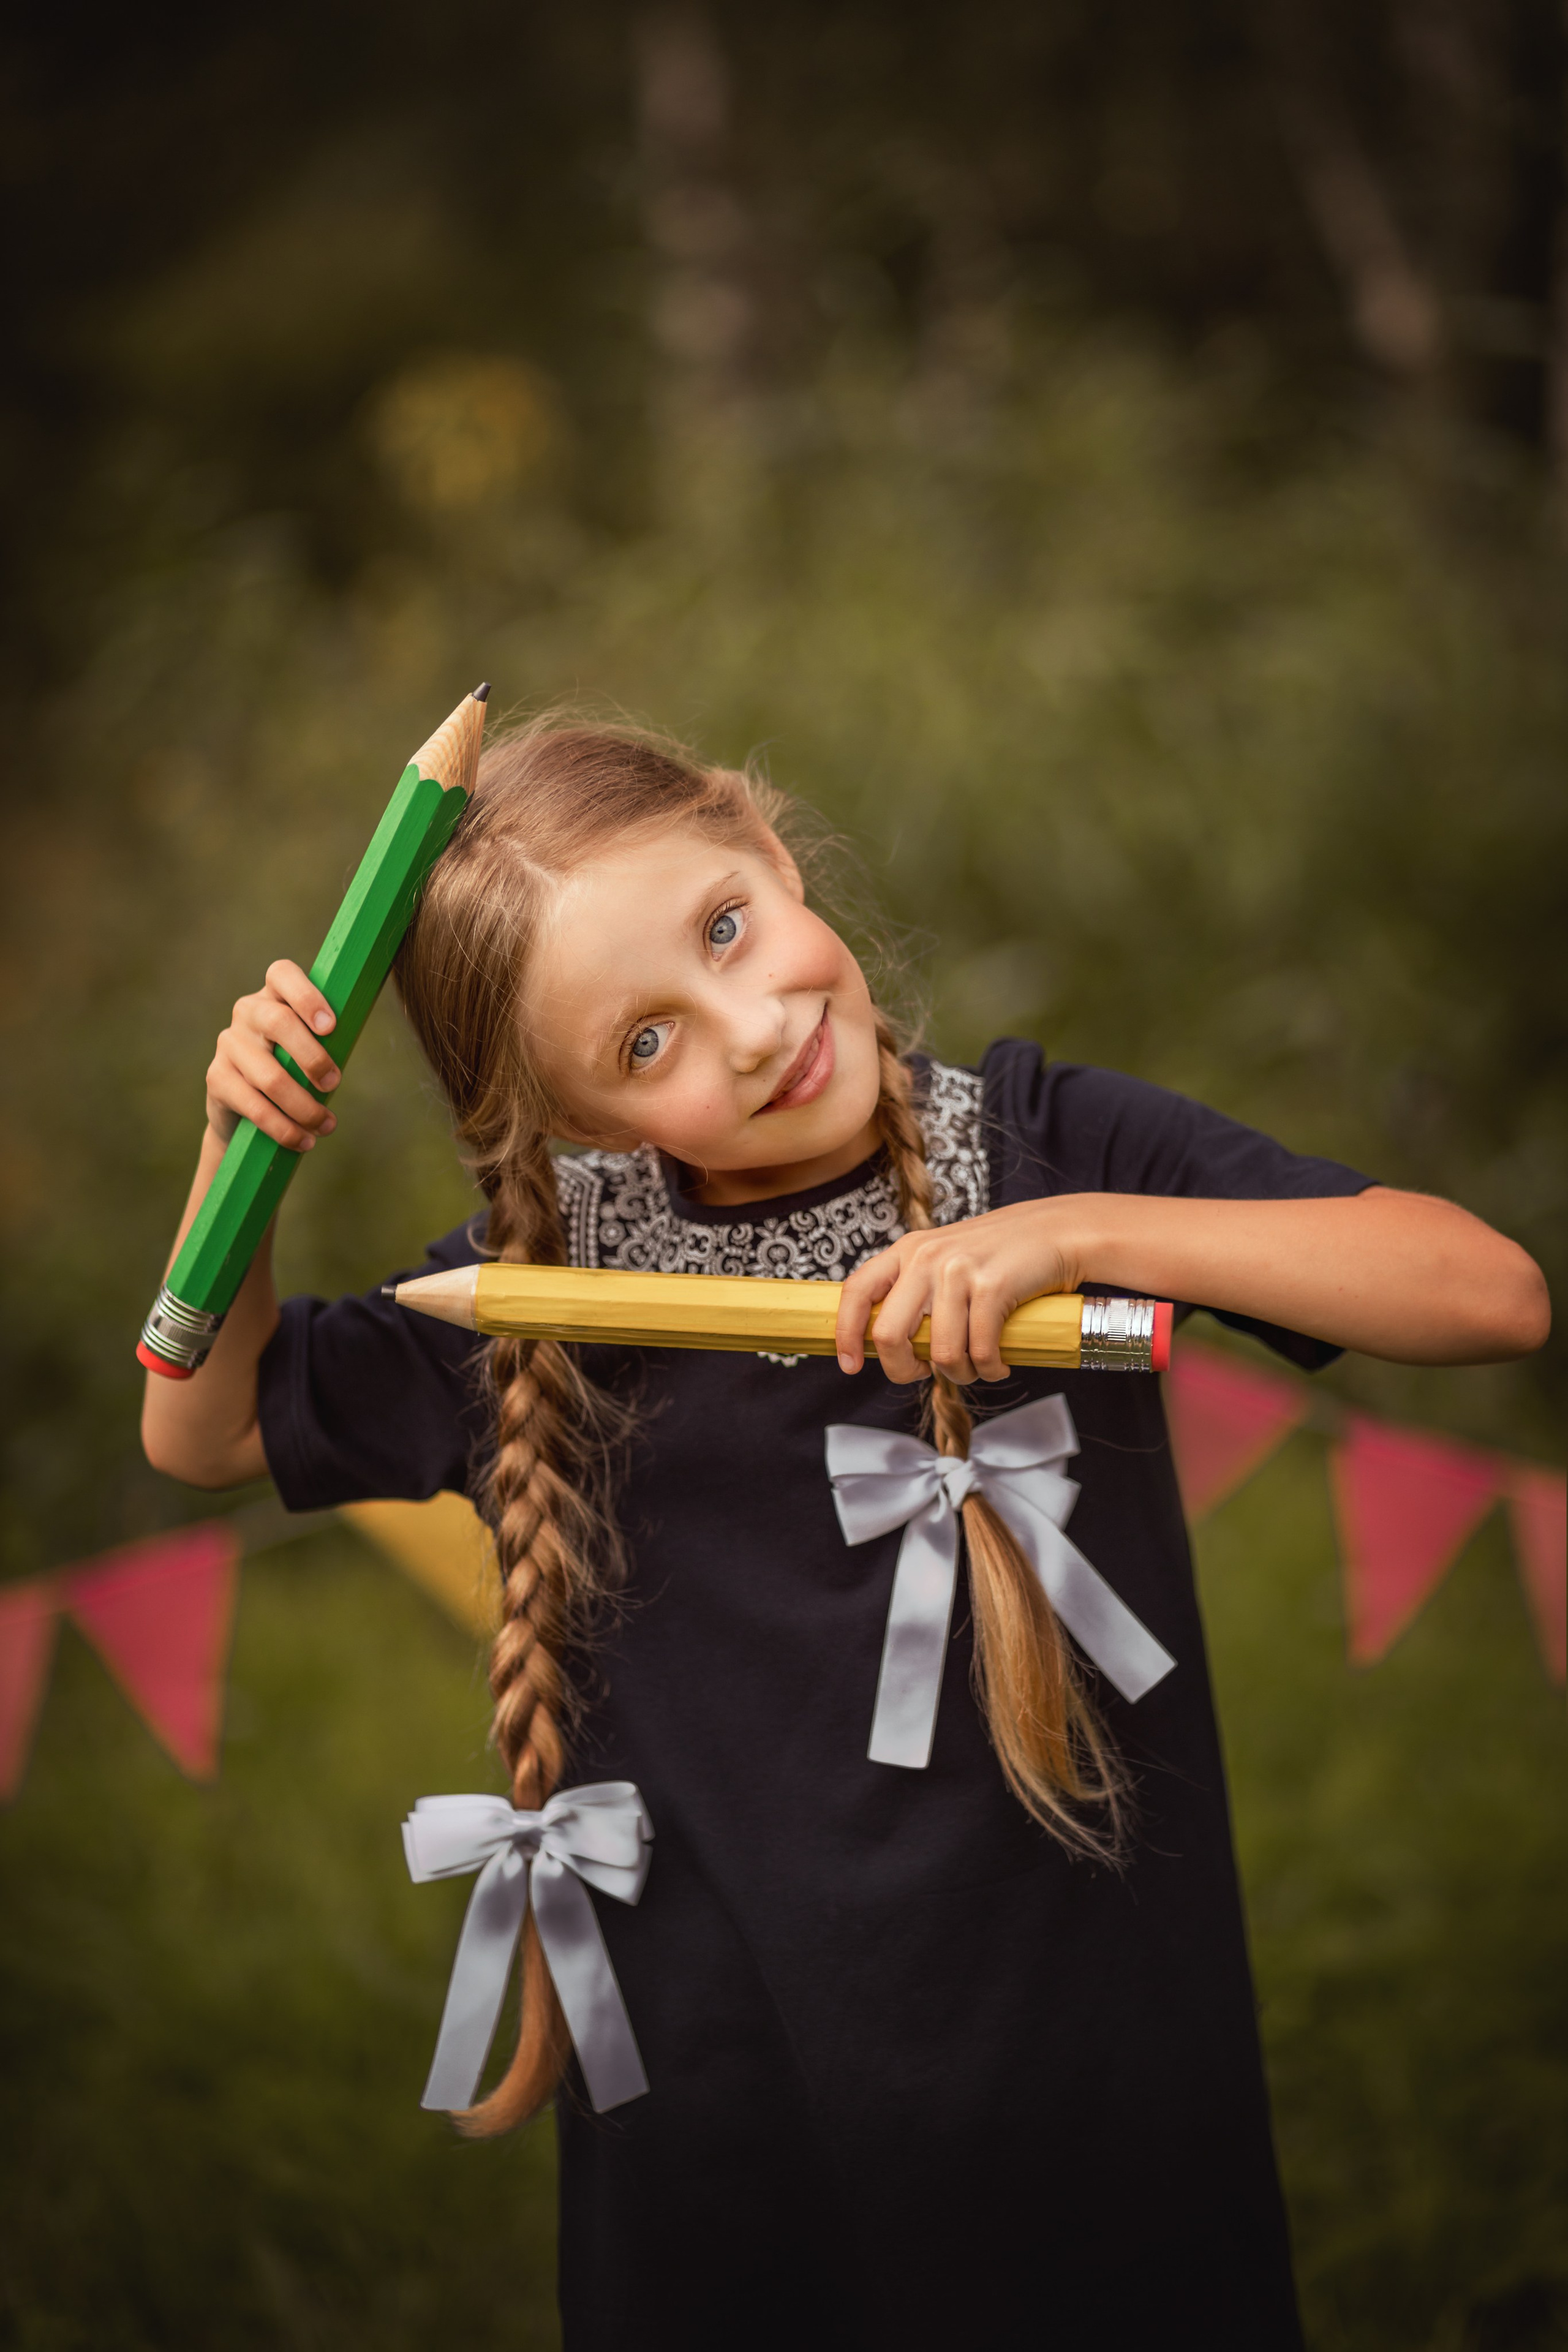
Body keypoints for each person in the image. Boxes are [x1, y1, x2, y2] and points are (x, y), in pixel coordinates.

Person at [142, 719, 1548, 2351]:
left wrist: (1076, 1235)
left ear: (771, 845)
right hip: (730, 2116)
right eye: (647, 1042)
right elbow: (206, 1426)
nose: (749, 1031)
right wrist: (233, 1149)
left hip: (1091, 2085)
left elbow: (1486, 1293)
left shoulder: (1043, 1146)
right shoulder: (552, 1289)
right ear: (579, 1118)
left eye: (729, 926)